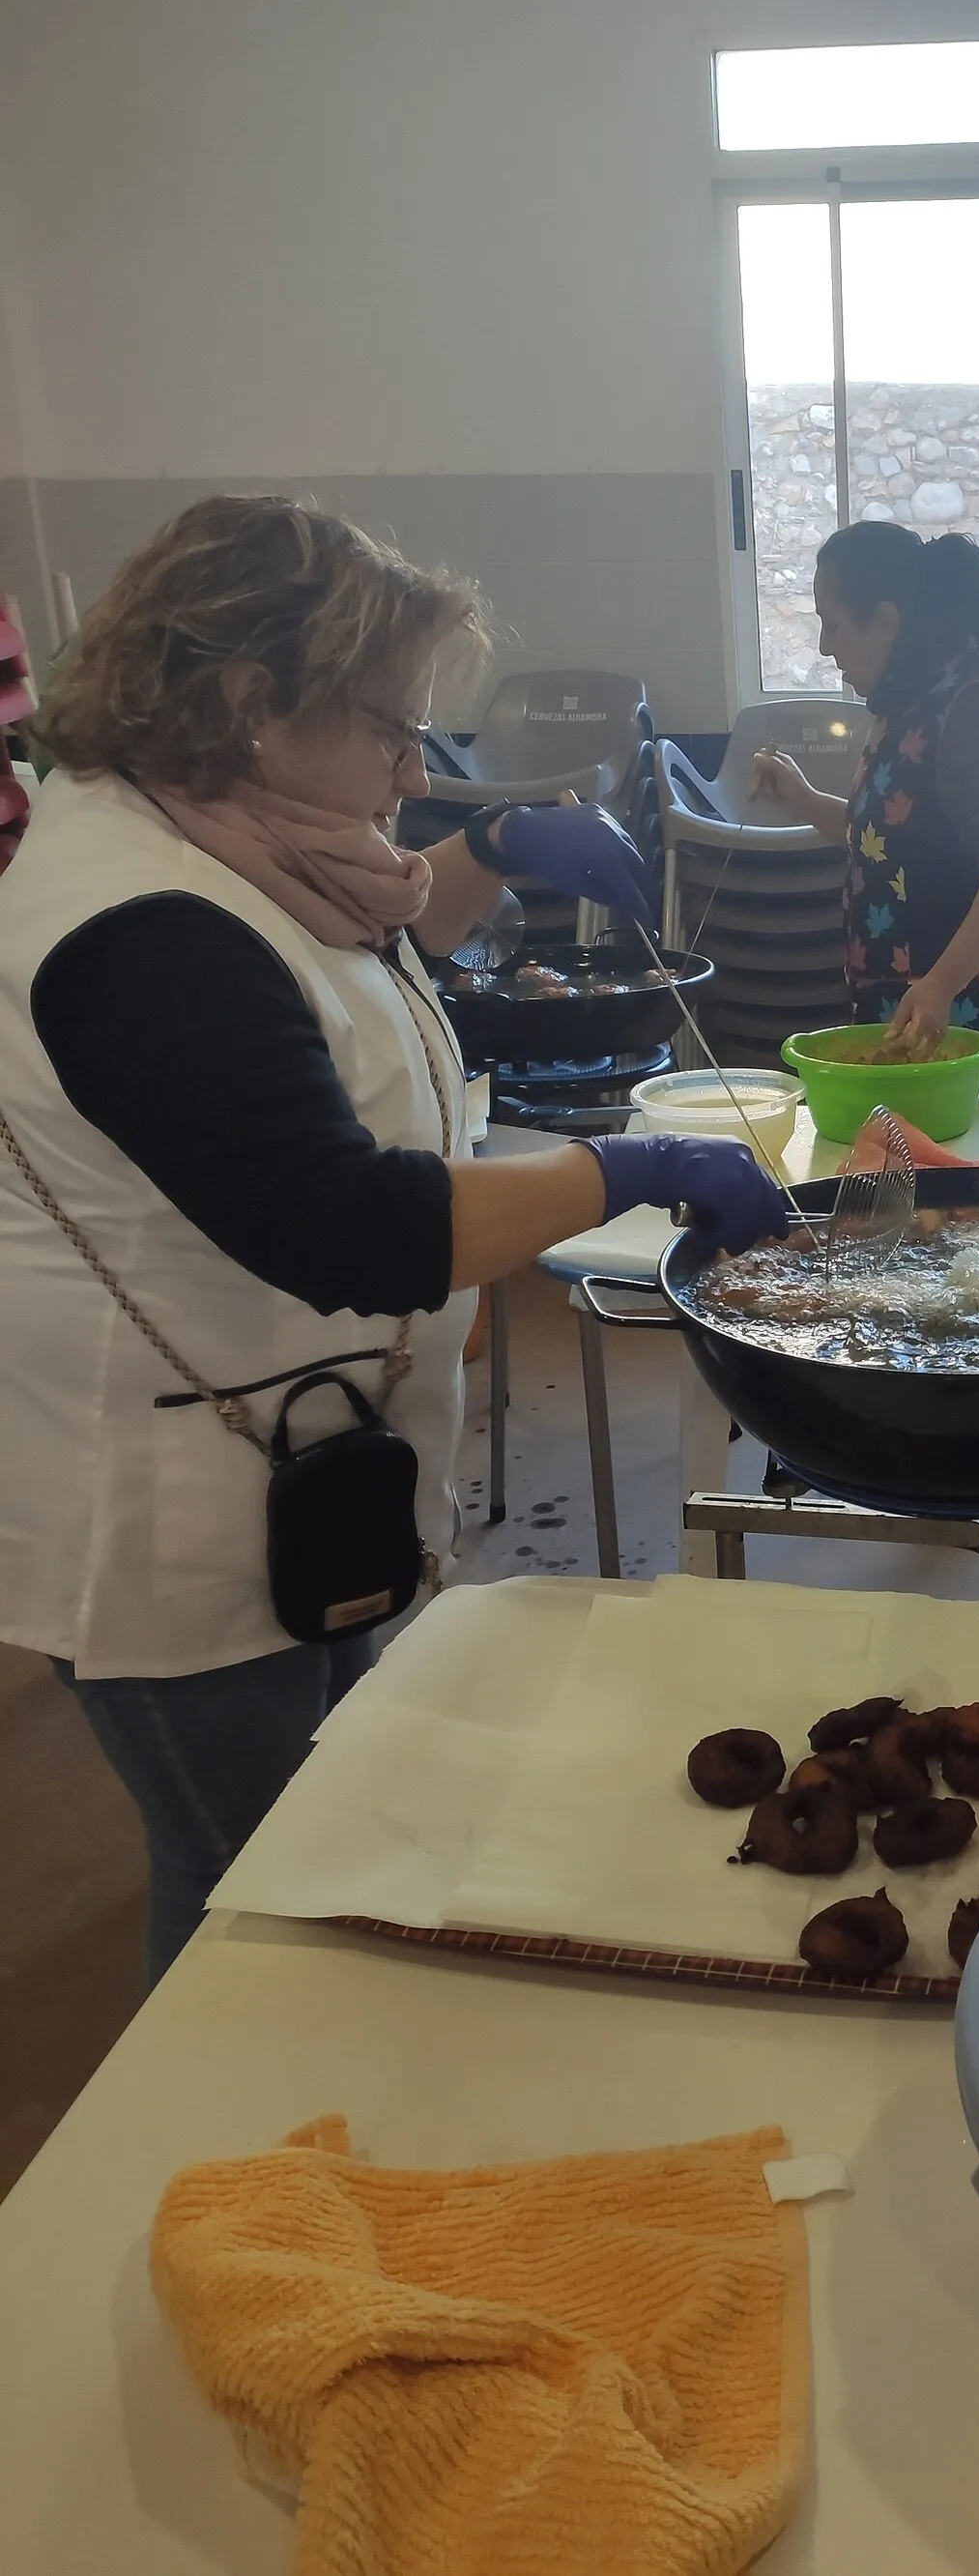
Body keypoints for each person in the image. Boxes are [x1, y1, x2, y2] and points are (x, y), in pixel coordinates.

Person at [0, 495, 784, 1983]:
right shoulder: (135, 928)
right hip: (175, 1507)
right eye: (390, 729)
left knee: (313, 1816)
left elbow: (353, 978)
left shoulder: (246, 846)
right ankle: (224, 2153)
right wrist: (626, 1166)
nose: (412, 771)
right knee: (253, 1881)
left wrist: (491, 845)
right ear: (248, 706)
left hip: (295, 1452)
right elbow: (349, 1222)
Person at [745, 523, 979, 1096]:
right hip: (917, 1027)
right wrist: (804, 799)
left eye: (833, 624)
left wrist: (940, 984)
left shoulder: (976, 707)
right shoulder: (912, 705)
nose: (824, 646)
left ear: (887, 621)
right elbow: (893, 843)